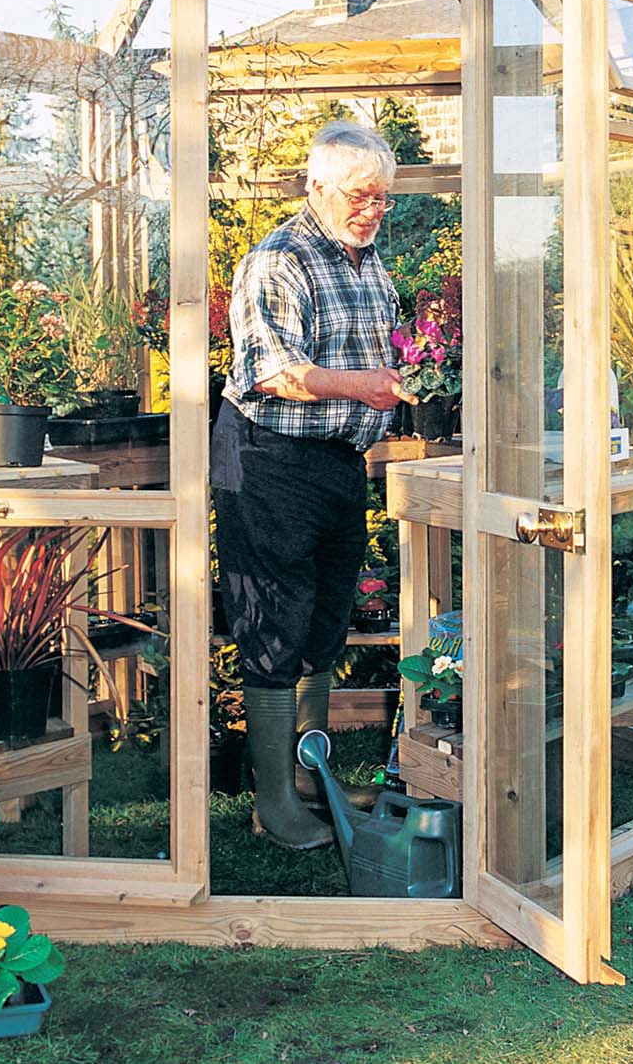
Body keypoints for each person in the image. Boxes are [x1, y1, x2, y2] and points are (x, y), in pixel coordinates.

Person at [210, 120, 416, 850]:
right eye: (362, 196)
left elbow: (379, 347)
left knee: (325, 619)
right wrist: (367, 386)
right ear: (317, 187)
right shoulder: (278, 260)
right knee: (273, 620)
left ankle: (308, 777)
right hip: (269, 458)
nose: (374, 210)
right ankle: (275, 804)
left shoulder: (368, 261)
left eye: (384, 198)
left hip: (334, 462)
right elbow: (273, 371)